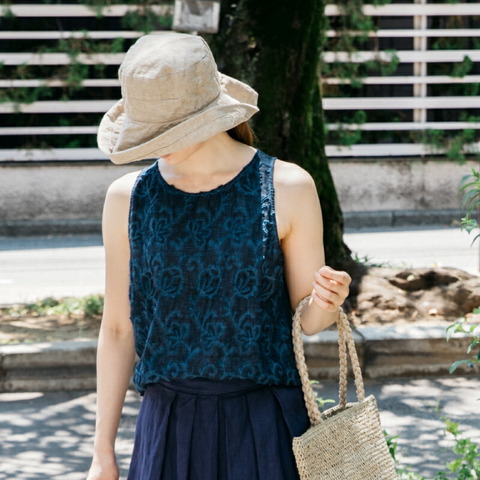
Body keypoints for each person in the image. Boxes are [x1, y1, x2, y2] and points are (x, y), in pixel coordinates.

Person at [87, 32, 351, 480]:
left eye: (168, 128)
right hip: (166, 428)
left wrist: (327, 301)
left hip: (266, 427)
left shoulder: (287, 186)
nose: (157, 141)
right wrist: (102, 453)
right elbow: (116, 329)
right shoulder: (127, 198)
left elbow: (307, 320)